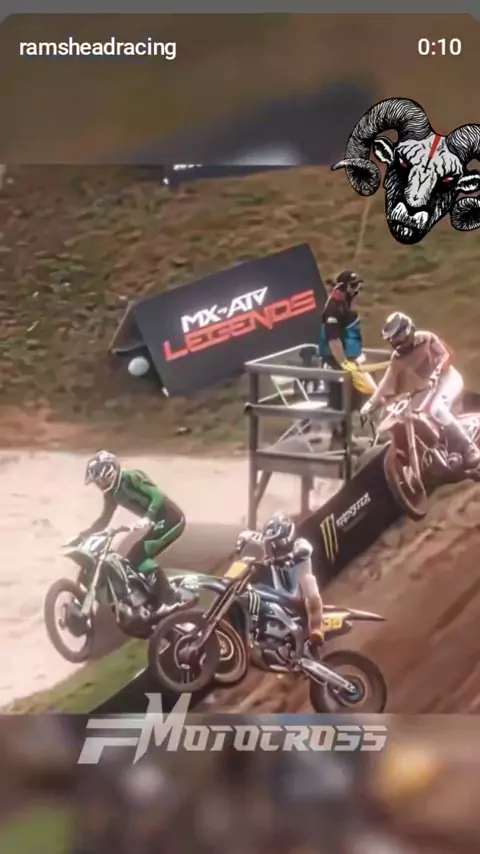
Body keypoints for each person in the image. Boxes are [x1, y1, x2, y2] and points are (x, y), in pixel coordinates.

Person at [361, 312, 480, 469]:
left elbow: (445, 355)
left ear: (407, 330)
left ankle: (469, 448)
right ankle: (440, 452)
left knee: (436, 409)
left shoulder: (426, 338)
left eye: (397, 337)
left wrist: (436, 372)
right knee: (419, 415)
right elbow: (386, 383)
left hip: (448, 379)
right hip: (427, 390)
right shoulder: (397, 359)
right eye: (392, 339)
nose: (396, 342)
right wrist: (370, 404)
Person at [79, 450, 186, 604]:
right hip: (158, 522)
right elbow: (104, 519)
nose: (101, 485)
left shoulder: (131, 477)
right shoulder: (111, 494)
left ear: (112, 473)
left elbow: (157, 496)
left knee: (139, 556)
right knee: (129, 562)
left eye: (102, 480)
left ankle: (171, 598)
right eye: (98, 483)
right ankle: (151, 598)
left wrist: (148, 517)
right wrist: (83, 535)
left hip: (172, 519)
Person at [235, 512, 325, 644]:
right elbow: (250, 536)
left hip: (300, 595)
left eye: (278, 541)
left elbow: (305, 549)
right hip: (280, 595)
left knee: (309, 581)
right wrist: (242, 543)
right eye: (272, 542)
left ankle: (316, 628)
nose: (275, 545)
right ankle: (253, 634)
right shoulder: (269, 548)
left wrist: (288, 559)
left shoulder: (300, 544)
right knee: (252, 591)